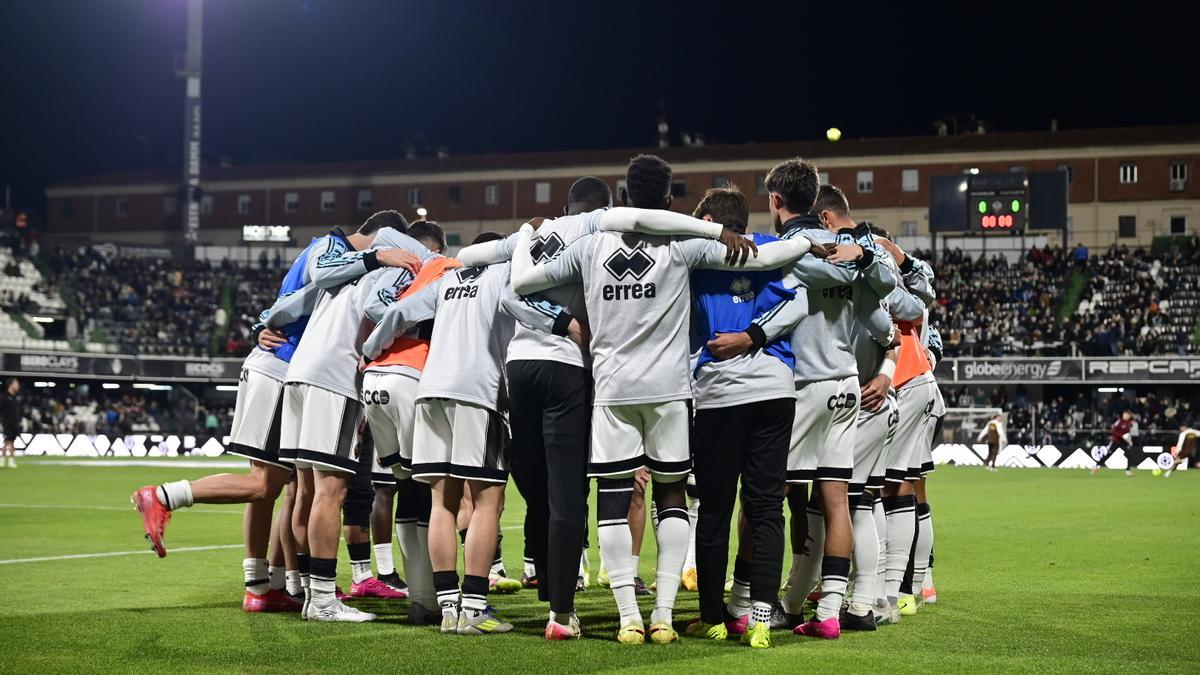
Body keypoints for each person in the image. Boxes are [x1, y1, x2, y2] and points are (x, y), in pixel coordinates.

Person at [509, 154, 822, 644]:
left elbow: (523, 284)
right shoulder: (684, 245)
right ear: (670, 200)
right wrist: (804, 241)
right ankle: (662, 615)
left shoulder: (588, 246)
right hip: (670, 390)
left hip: (612, 390)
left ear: (624, 196)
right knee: (672, 495)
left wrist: (528, 247)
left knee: (614, 498)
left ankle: (627, 618)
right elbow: (763, 260)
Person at [455, 171, 751, 639]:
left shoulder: (563, 239)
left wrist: (527, 236)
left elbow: (498, 278)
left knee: (557, 494)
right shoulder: (638, 235)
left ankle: (586, 601)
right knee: (629, 494)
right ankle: (623, 614)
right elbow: (756, 256)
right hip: (621, 378)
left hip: (552, 374)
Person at [128, 221, 410, 612]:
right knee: (270, 485)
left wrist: (262, 324)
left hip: (281, 366)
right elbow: (319, 281)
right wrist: (377, 258)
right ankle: (164, 496)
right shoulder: (333, 249)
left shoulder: (338, 258)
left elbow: (293, 301)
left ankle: (262, 586)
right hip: (283, 368)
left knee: (282, 488)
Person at [708, 176, 896, 640]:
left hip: (805, 384)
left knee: (761, 500)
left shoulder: (788, 249)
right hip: (846, 384)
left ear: (776, 200)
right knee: (836, 499)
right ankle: (828, 612)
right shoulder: (848, 252)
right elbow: (882, 323)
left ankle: (743, 602)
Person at [268, 211, 431, 623]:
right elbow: (380, 308)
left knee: (305, 491)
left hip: (299, 373)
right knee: (331, 491)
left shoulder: (344, 267)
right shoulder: (397, 266)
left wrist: (265, 324)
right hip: (335, 377)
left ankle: (309, 590)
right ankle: (324, 600)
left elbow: (291, 304)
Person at [361, 232, 516, 636]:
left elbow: (398, 313)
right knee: (487, 501)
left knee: (440, 502)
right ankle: (475, 608)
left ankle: (447, 607)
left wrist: (370, 350)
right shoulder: (507, 273)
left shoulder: (448, 277)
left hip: (429, 390)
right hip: (477, 391)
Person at [677, 186, 798, 649]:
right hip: (774, 389)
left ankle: (712, 617)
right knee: (766, 507)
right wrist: (755, 335)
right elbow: (800, 302)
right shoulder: (775, 249)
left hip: (719, 394)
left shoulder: (695, 255)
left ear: (709, 221)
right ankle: (760, 618)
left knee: (714, 509)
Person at [360, 220, 456, 624]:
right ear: (440, 248)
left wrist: (373, 348)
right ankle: (435, 598)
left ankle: (420, 598)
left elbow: (375, 308)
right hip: (411, 375)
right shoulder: (445, 268)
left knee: (405, 487)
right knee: (434, 491)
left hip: (374, 381)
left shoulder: (394, 273)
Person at [1092, 410, 1137, 476]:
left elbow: (1127, 434)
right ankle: (1095, 466)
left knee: (1129, 455)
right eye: (1125, 414)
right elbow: (1113, 431)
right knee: (1107, 455)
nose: (1125, 416)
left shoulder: (1129, 423)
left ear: (1129, 416)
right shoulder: (1119, 421)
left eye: (1127, 415)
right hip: (1116, 442)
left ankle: (1127, 471)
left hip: (1123, 443)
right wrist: (1122, 436)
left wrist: (1129, 441)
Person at [2, 378, 21, 468]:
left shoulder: (17, 397)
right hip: (7, 423)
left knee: (11, 441)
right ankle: (6, 460)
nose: (18, 386)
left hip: (15, 423)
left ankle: (8, 460)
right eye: (16, 384)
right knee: (8, 441)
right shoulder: (5, 397)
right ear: (11, 385)